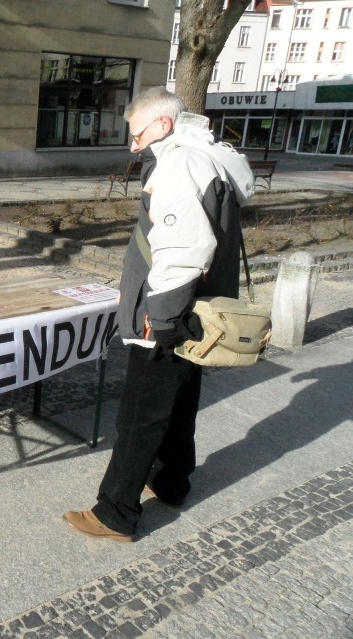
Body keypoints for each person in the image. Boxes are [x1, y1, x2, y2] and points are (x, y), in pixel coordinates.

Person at [63, 87, 254, 542]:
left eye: (137, 134)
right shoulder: (204, 158)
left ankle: (115, 513)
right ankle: (172, 482)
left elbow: (185, 249)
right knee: (180, 400)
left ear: (163, 125)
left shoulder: (181, 164)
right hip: (197, 309)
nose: (133, 145)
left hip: (169, 312)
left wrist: (161, 316)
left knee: (139, 414)